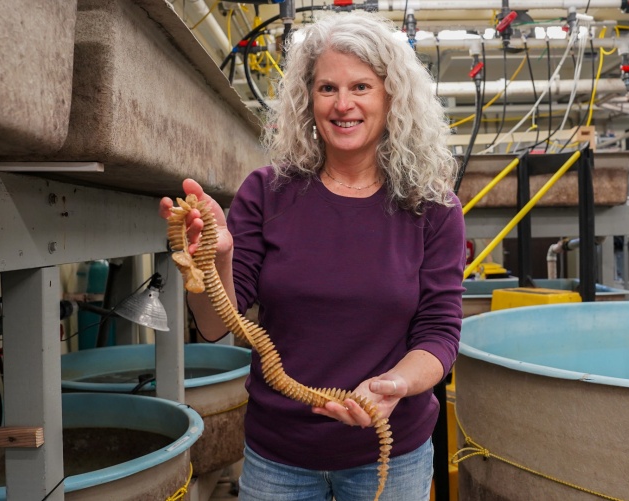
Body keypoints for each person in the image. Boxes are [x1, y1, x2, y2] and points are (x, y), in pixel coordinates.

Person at [159, 10, 465, 501]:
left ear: (392, 97)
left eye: (361, 87)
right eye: (327, 88)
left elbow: (441, 333)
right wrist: (219, 256)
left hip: (391, 456)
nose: (343, 104)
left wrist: (393, 386)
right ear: (307, 100)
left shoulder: (433, 209)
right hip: (280, 458)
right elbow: (216, 326)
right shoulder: (268, 192)